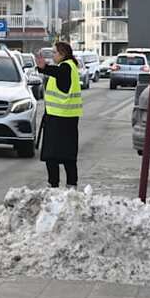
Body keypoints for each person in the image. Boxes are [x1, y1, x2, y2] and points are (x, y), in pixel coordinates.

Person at [36, 41, 84, 188]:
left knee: (52, 156)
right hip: (67, 119)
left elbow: (58, 73)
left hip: (58, 119)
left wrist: (44, 68)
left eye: (54, 52)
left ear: (62, 54)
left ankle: (54, 186)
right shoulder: (71, 66)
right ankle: (71, 186)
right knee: (69, 156)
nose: (53, 55)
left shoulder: (65, 67)